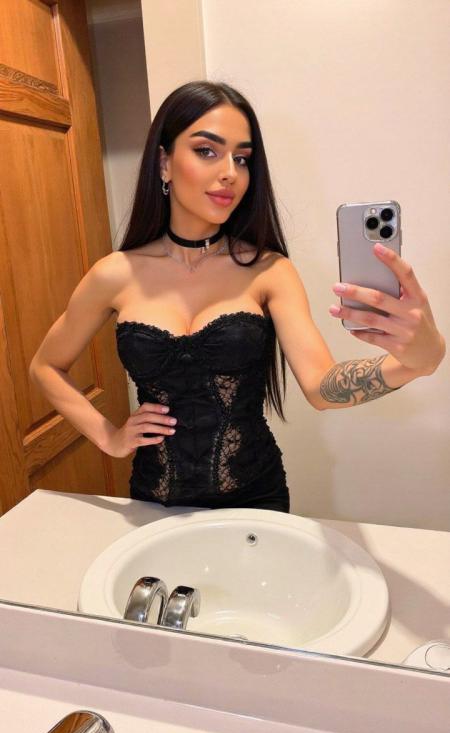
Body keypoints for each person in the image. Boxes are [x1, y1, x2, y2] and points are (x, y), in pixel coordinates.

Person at [30, 81, 446, 514]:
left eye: (242, 158)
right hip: (155, 499)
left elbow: (321, 388)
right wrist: (110, 438)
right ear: (164, 163)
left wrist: (415, 362)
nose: (230, 172)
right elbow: (45, 367)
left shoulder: (269, 270)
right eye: (207, 151)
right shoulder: (114, 274)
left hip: (256, 498)